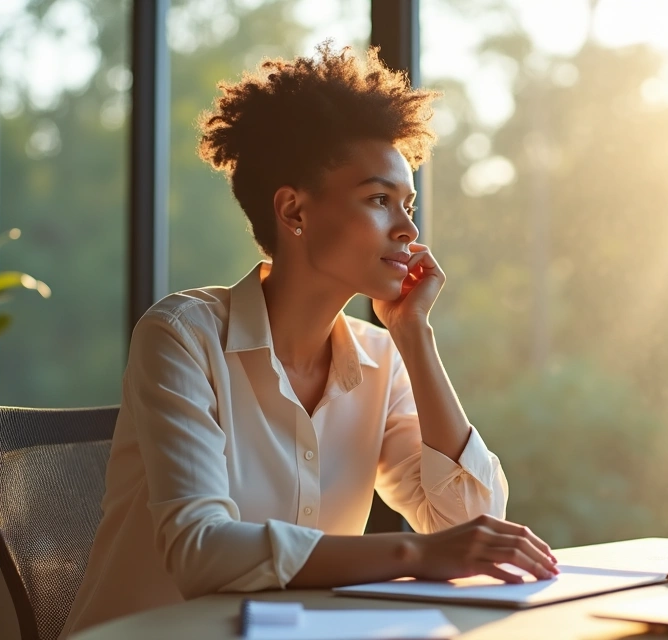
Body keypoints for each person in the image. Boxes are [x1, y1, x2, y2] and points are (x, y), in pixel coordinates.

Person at [58, 43, 557, 638]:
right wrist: (411, 556)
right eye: (378, 200)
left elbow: (473, 523)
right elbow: (201, 551)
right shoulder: (182, 336)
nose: (408, 229)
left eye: (408, 204)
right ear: (294, 210)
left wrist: (413, 336)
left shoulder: (382, 359)